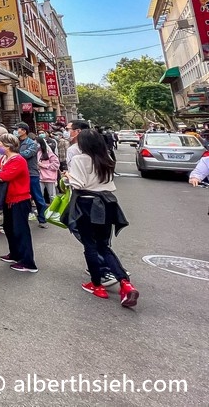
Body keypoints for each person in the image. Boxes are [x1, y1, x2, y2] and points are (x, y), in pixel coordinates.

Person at [65, 130, 138, 307]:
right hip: (108, 202)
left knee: (89, 245)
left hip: (86, 204)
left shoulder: (79, 159)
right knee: (104, 245)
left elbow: (77, 184)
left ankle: (97, 285)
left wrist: (67, 176)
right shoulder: (107, 159)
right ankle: (125, 283)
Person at [0, 134, 38, 273]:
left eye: (0, 143)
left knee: (21, 230)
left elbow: (3, 176)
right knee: (9, 227)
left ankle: (28, 262)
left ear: (8, 145)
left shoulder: (18, 160)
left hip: (19, 199)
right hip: (8, 198)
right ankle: (15, 254)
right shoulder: (4, 158)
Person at [16, 123, 47, 228]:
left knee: (37, 197)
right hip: (18, 174)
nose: (16, 131)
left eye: (18, 129)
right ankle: (25, 217)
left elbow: (27, 154)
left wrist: (14, 155)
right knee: (21, 197)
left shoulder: (32, 143)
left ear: (24, 131)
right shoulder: (15, 142)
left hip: (31, 174)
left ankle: (42, 218)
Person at [37, 136, 60, 204]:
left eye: (37, 143)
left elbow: (56, 166)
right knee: (40, 195)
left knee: (52, 196)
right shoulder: (38, 153)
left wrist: (43, 165)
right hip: (40, 177)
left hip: (49, 177)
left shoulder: (50, 154)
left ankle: (54, 210)